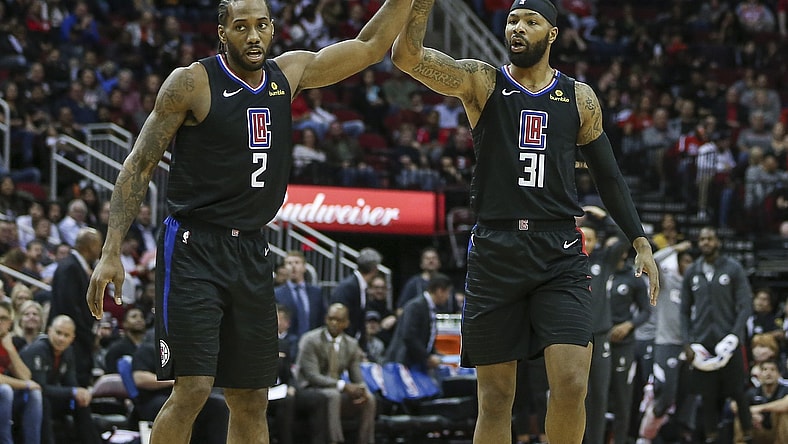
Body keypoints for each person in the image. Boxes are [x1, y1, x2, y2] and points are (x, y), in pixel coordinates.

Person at [84, 0, 415, 443]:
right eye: (241, 27)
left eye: (262, 25)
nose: (254, 36)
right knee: (193, 389)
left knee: (252, 397)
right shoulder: (191, 82)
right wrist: (110, 251)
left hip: (253, 250)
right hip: (194, 248)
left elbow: (370, 45)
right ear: (223, 33)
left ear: (273, 28)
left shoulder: (288, 74)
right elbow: (138, 165)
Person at [390, 1, 660, 442]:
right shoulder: (483, 81)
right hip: (496, 251)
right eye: (512, 20)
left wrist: (640, 241)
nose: (517, 28)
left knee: (572, 383)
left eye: (530, 21)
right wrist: (419, 6)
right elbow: (407, 56)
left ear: (551, 34)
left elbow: (608, 176)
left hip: (559, 251)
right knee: (496, 398)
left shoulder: (579, 97)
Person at [680, 226, 753, 443]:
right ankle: (711, 437)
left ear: (718, 241)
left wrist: (735, 336)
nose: (705, 242)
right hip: (703, 343)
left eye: (710, 238)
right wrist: (687, 342)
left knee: (738, 392)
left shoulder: (733, 268)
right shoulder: (692, 271)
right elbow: (683, 311)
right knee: (707, 397)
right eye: (702, 239)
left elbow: (745, 305)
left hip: (728, 341)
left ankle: (748, 434)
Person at [638, 240, 695, 441]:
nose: (689, 266)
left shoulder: (697, 287)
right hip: (666, 344)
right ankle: (644, 436)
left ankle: (677, 437)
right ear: (677, 263)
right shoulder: (667, 281)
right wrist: (674, 248)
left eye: (692, 262)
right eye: (685, 261)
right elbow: (651, 260)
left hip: (692, 347)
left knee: (688, 397)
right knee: (665, 396)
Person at [295, 303, 376, 444]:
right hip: (308, 388)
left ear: (346, 323)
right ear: (325, 319)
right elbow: (312, 376)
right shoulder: (310, 340)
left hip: (334, 387)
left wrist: (362, 389)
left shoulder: (351, 344)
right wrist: (343, 386)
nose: (333, 323)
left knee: (369, 398)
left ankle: (365, 440)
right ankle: (335, 440)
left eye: (338, 320)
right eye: (331, 319)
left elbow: (357, 377)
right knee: (333, 396)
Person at [20, 315, 102, 444]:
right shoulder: (38, 349)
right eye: (58, 333)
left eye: (66, 335)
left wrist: (80, 393)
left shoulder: (68, 352)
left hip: (49, 398)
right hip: (26, 399)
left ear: (72, 338)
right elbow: (41, 387)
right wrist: (73, 391)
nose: (61, 338)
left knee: (80, 402)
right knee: (44, 401)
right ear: (49, 331)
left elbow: (71, 383)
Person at [49, 227, 102, 388]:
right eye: (99, 245)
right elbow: (69, 308)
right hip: (72, 341)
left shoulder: (75, 266)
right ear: (90, 245)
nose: (101, 249)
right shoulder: (70, 267)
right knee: (75, 386)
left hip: (77, 338)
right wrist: (88, 335)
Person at [385, 273, 453, 373]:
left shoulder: (429, 307)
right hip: (405, 364)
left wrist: (434, 354)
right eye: (448, 292)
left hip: (417, 363)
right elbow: (409, 336)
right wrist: (427, 357)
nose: (448, 297)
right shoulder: (415, 306)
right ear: (439, 291)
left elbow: (426, 338)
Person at [0, 300, 42, 444]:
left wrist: (10, 349)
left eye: (3, 318)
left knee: (34, 394)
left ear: (10, 323)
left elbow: (26, 376)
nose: (0, 322)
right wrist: (26, 384)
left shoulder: (7, 342)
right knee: (5, 390)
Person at [330, 248, 383, 347]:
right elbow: (340, 319)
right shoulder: (347, 287)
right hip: (343, 345)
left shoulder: (361, 286)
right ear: (374, 269)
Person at [274, 250, 326, 338]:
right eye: (289, 263)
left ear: (304, 267)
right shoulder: (277, 294)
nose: (293, 266)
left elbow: (322, 319)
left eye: (297, 262)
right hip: (287, 343)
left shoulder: (316, 292)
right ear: (285, 268)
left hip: (312, 342)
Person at [103, 306, 147, 374]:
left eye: (142, 317)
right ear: (124, 323)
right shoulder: (116, 349)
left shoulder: (150, 346)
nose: (139, 319)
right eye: (134, 317)